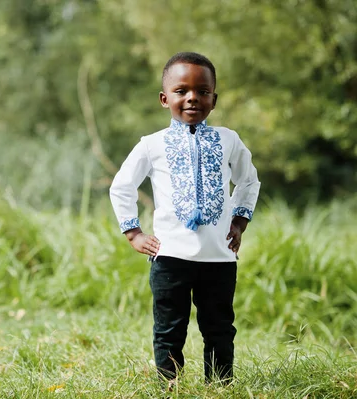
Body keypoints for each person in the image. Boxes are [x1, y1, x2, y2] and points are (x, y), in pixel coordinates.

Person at [109, 52, 260, 384]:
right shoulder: (152, 145)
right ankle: (169, 385)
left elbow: (248, 181)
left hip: (219, 257)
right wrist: (133, 233)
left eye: (202, 91)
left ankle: (220, 385)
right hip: (170, 258)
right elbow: (122, 187)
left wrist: (239, 221)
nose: (193, 97)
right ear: (165, 99)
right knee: (169, 327)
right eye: (182, 91)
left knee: (219, 326)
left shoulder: (228, 140)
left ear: (214, 99)